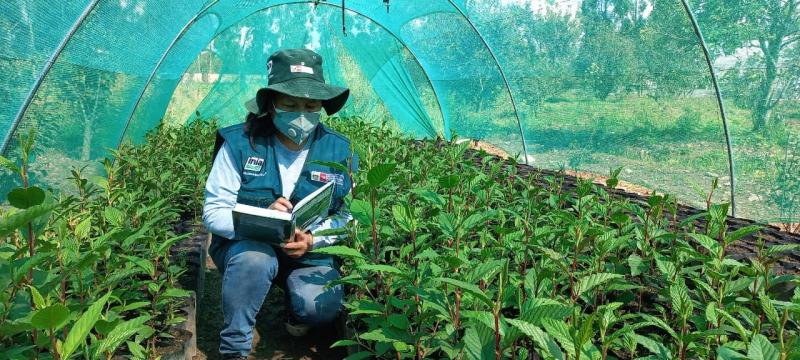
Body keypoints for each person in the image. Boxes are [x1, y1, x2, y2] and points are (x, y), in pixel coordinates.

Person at [202, 48, 357, 360]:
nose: (301, 113)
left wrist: (313, 241)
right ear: (271, 105)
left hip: (308, 252)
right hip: (248, 247)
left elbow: (349, 216)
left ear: (322, 106)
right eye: (290, 104)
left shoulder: (339, 150)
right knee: (253, 263)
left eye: (311, 105)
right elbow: (213, 211)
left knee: (319, 305)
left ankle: (294, 307)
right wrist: (261, 219)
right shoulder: (240, 144)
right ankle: (235, 346)